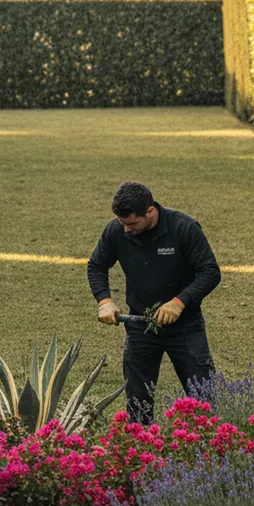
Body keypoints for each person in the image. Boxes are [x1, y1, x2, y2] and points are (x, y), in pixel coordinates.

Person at [87, 181, 221, 424]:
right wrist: (104, 301)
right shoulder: (116, 231)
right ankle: (141, 450)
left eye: (132, 223)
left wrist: (178, 303)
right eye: (123, 223)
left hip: (185, 327)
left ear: (150, 212)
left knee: (203, 396)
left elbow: (210, 272)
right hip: (141, 325)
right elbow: (96, 265)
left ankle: (209, 450)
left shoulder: (183, 228)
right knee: (137, 399)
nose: (127, 230)